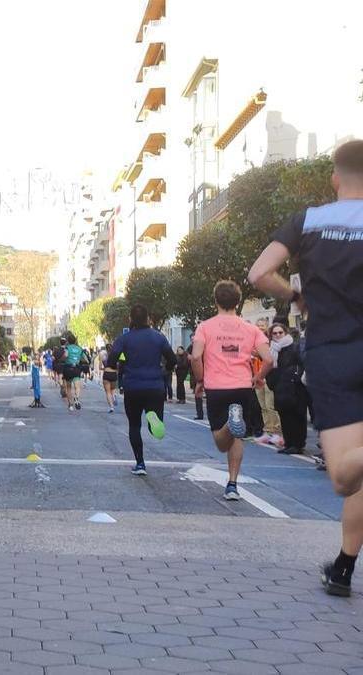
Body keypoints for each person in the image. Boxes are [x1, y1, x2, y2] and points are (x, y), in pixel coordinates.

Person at [247, 139, 363, 596]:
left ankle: (344, 566)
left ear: (335, 178)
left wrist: (295, 296)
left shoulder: (309, 221)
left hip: (335, 352)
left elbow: (259, 273)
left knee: (343, 477)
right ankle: (343, 567)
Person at [190, 280, 272, 502]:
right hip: (242, 386)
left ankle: (229, 423)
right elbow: (269, 359)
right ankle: (232, 484)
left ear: (216, 301)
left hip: (216, 386)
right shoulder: (250, 328)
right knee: (237, 438)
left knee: (220, 442)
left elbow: (196, 356)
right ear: (238, 301)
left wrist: (200, 380)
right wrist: (258, 377)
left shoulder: (205, 327)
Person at [108, 304, 176, 475]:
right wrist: (165, 370)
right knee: (155, 426)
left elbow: (111, 360)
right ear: (148, 319)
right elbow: (172, 359)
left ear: (130, 319)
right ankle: (153, 419)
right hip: (155, 385)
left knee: (134, 425)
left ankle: (140, 464)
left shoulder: (124, 339)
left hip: (133, 386)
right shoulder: (158, 337)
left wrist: (118, 366)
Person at [267, 323, 308, 455]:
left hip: (295, 389)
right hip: (280, 388)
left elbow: (303, 364)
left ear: (285, 333)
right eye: (275, 333)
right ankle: (289, 443)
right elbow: (269, 368)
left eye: (280, 332)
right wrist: (272, 383)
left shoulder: (294, 347)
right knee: (285, 417)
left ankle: (298, 444)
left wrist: (296, 378)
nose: (278, 335)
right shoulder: (272, 350)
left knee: (297, 417)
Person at [60, 332, 88, 410]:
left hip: (68, 368)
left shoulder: (67, 348)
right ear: (75, 341)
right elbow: (85, 359)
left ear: (68, 341)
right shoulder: (79, 348)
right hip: (76, 368)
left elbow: (65, 355)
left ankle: (70, 405)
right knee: (77, 386)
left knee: (68, 387)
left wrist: (62, 359)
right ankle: (76, 398)